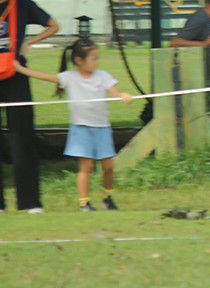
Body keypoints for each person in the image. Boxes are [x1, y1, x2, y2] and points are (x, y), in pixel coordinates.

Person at [13, 39, 133, 211]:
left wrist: (123, 95)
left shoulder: (103, 76)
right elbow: (45, 76)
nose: (96, 62)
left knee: (108, 167)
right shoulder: (69, 77)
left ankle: (108, 198)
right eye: (93, 58)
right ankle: (84, 203)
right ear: (79, 60)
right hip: (81, 128)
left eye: (97, 58)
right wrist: (20, 68)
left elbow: (115, 91)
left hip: (102, 128)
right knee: (87, 167)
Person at [0, 0, 59, 214]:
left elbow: (54, 25)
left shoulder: (21, 3)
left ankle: (30, 202)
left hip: (17, 74)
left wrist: (30, 42)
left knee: (23, 138)